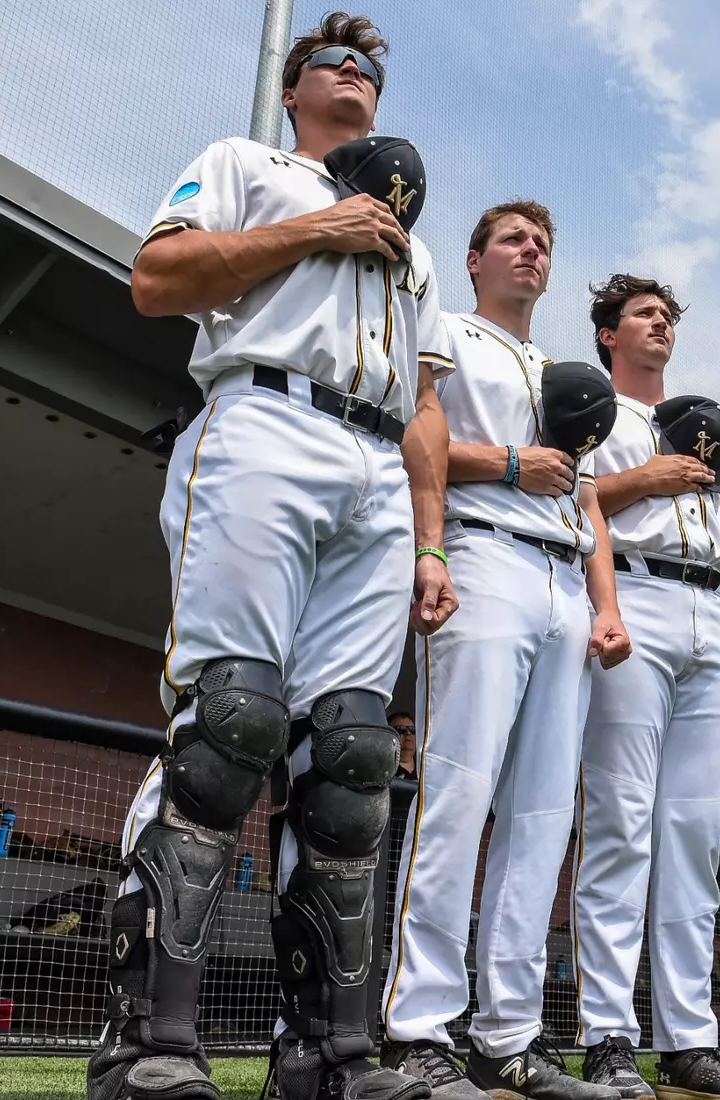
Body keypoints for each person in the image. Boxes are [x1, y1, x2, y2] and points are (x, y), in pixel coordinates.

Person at [87, 14, 460, 1100]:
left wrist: (432, 539)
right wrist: (318, 229)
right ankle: (148, 1045)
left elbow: (427, 403)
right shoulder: (244, 163)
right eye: (334, 61)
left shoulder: (415, 242)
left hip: (379, 460)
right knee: (230, 723)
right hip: (263, 421)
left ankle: (326, 1059)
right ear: (296, 91)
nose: (356, 72)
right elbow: (158, 278)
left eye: (371, 66)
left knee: (350, 760)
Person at [380, 200, 627, 1100]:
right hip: (482, 550)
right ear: (477, 258)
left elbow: (590, 498)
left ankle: (508, 1035)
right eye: (514, 240)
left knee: (542, 816)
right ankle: (417, 1025)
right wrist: (439, 540)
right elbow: (419, 434)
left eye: (544, 244)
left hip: (564, 576)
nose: (532, 251)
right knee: (456, 790)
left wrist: (605, 604)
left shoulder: (561, 371)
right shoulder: (443, 327)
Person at [570, 274, 720, 1100]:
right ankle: (606, 1036)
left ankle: (690, 1040)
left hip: (709, 615)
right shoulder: (593, 403)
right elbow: (577, 497)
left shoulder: (708, 425)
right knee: (620, 822)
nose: (659, 325)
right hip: (634, 594)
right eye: (642, 316)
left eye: (666, 317)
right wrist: (647, 480)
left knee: (694, 838)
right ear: (607, 335)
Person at [388, 713, 416, 780]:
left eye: (412, 729)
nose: (408, 733)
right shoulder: (383, 772)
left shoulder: (427, 770)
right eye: (401, 729)